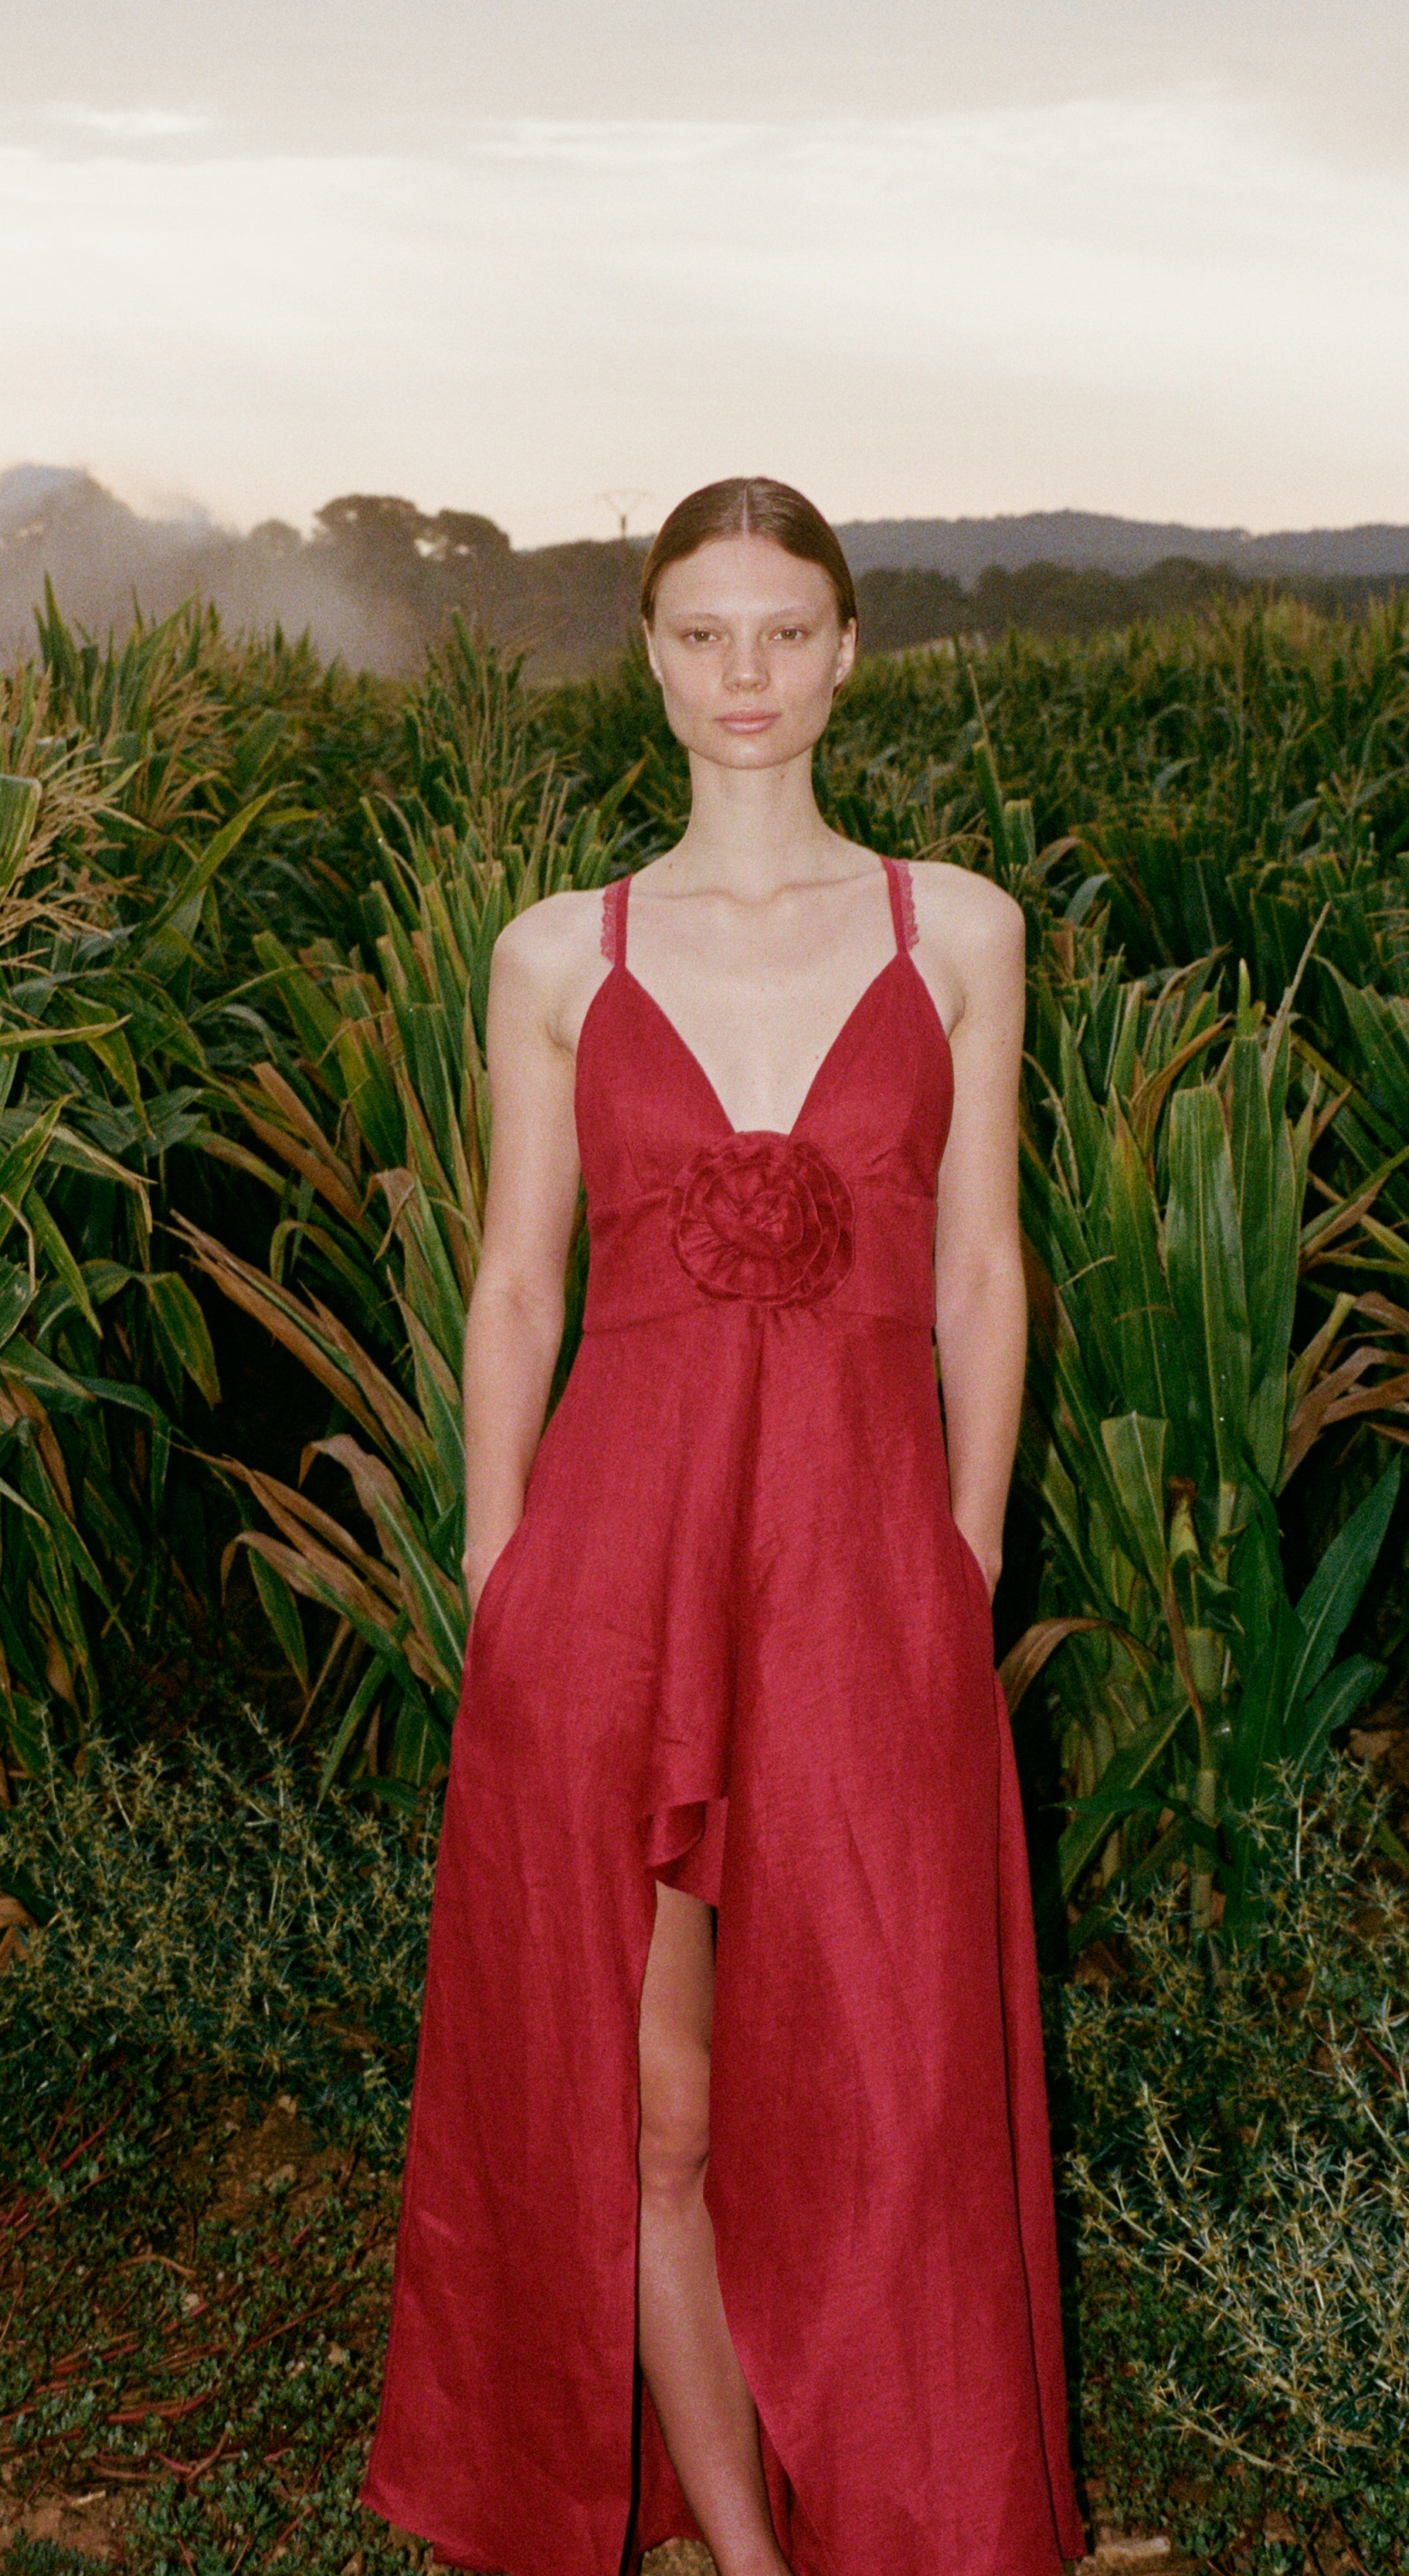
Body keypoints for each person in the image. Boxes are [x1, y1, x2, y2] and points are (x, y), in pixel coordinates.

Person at [362, 477, 1083, 2576]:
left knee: (886, 2092)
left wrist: (957, 1552)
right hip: (612, 1572)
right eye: (702, 634)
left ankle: (901, 2501)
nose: (745, 677)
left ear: (848, 650)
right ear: (650, 656)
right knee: (646, 2110)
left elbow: (978, 1269)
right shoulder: (552, 953)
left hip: (864, 1574)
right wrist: (502, 1567)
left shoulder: (951, 930)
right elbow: (511, 1282)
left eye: (784, 633)